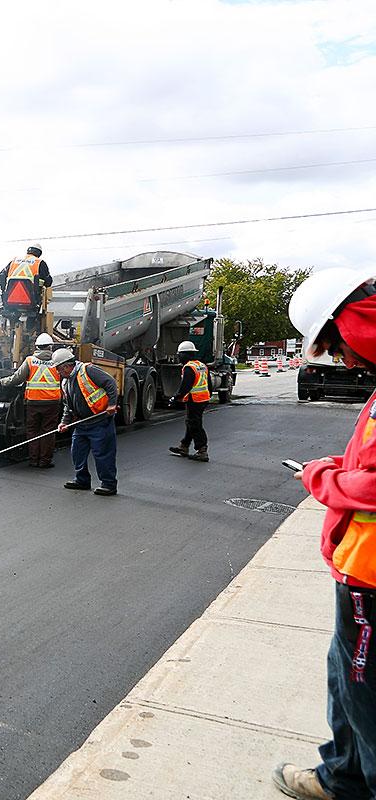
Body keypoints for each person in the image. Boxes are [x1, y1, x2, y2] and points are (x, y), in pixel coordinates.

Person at [273, 268, 376, 800]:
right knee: (347, 678)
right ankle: (343, 778)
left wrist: (323, 478)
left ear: (353, 322)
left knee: (367, 694)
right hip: (360, 570)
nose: (345, 362)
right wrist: (341, 463)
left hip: (374, 576)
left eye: (338, 347)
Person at [53, 348, 119, 496]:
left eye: (58, 368)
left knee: (102, 454)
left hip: (100, 421)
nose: (57, 372)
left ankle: (108, 484)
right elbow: (67, 406)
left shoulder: (88, 370)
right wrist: (64, 422)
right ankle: (82, 480)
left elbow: (111, 383)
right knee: (77, 452)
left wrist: (112, 404)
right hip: (81, 423)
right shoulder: (66, 382)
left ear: (66, 366)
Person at [0, 333, 62, 468]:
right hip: (52, 403)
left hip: (33, 403)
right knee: (48, 432)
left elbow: (16, 379)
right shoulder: (57, 361)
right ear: (50, 347)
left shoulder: (30, 360)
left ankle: (33, 460)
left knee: (33, 431)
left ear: (36, 346)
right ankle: (44, 461)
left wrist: (0, 382)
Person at [169, 340, 211, 462]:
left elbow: (185, 387)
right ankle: (184, 446)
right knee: (191, 423)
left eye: (180, 354)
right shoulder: (202, 365)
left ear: (185, 354)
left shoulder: (189, 368)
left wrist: (175, 398)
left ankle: (202, 450)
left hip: (195, 400)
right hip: (203, 399)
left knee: (195, 425)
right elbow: (209, 383)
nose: (179, 357)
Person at [0, 245, 54, 316]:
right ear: (39, 253)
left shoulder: (14, 261)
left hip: (10, 300)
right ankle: (31, 323)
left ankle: (13, 321)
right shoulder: (39, 262)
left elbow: (0, 277)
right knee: (35, 311)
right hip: (32, 301)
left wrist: (4, 291)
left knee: (12, 314)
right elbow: (48, 282)